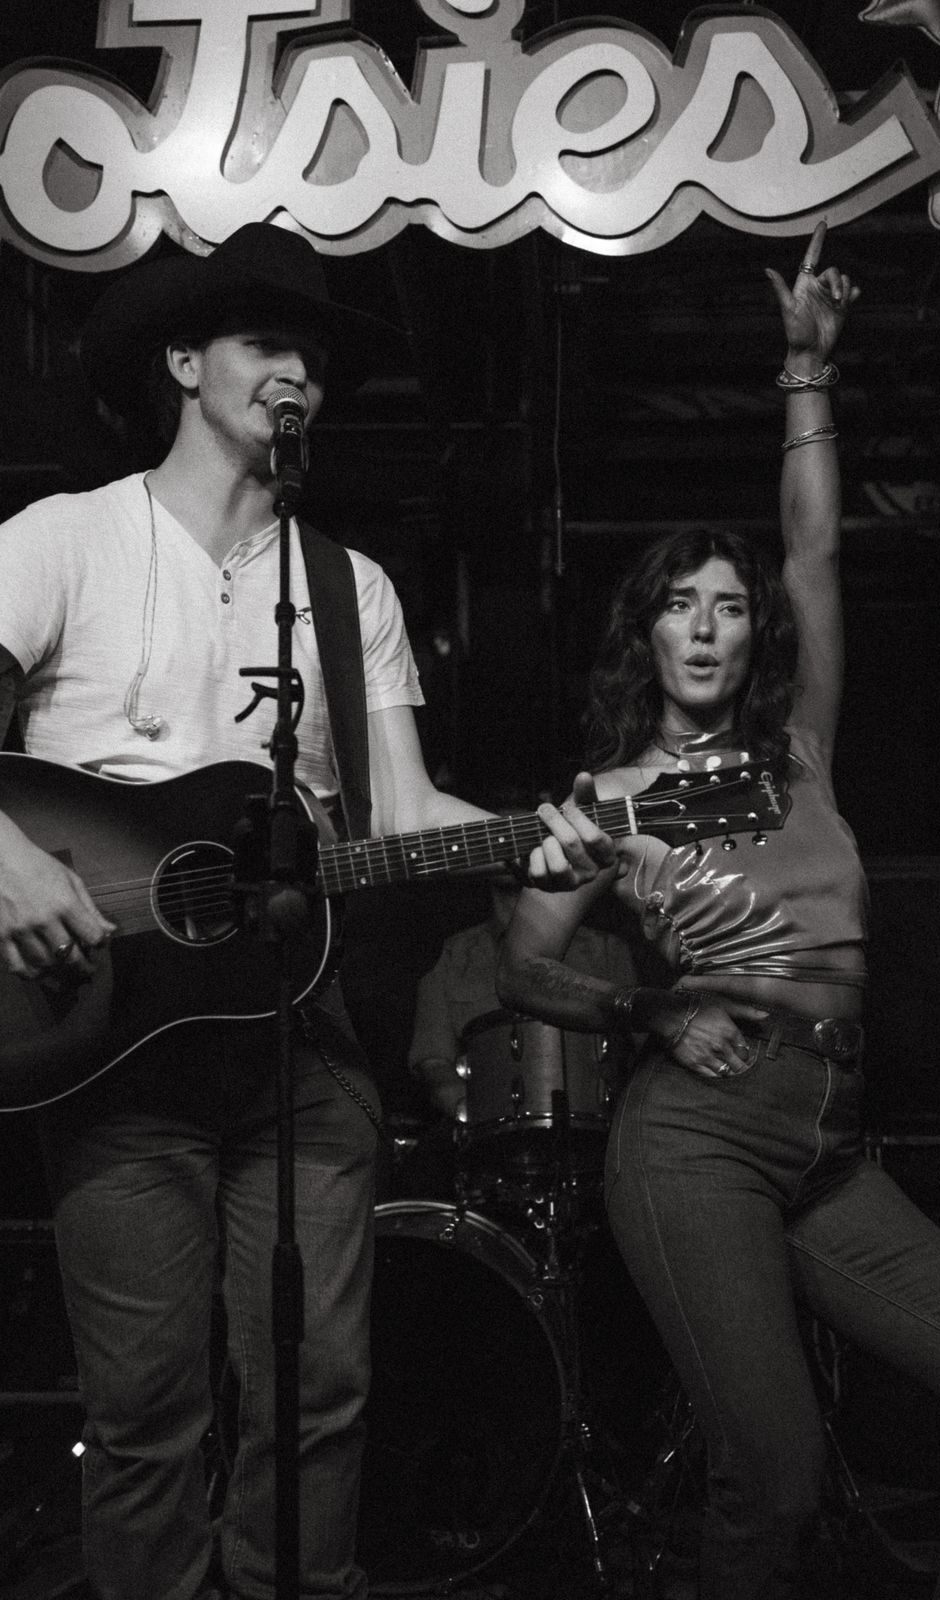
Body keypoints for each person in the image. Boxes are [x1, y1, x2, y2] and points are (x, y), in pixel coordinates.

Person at [0, 222, 614, 1600]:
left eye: (317, 361)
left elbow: (398, 810)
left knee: (320, 1389)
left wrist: (543, 837)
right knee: (147, 1412)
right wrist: (10, 858)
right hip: (113, 1047)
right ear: (184, 362)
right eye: (268, 345)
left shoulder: (347, 588)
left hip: (297, 1042)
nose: (299, 377)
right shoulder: (62, 541)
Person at [497, 222, 940, 1599]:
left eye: (728, 608)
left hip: (827, 1134)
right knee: (775, 1474)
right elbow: (522, 970)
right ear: (645, 632)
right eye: (678, 606)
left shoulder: (793, 752)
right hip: (696, 1133)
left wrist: (806, 369)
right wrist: (646, 1010)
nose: (705, 626)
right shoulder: (609, 797)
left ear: (755, 634)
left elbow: (812, 552)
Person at [408, 870, 639, 1120]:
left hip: (596, 1130)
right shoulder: (450, 955)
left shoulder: (605, 950)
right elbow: (432, 1061)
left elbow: (640, 1052)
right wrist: (470, 1112)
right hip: (488, 1135)